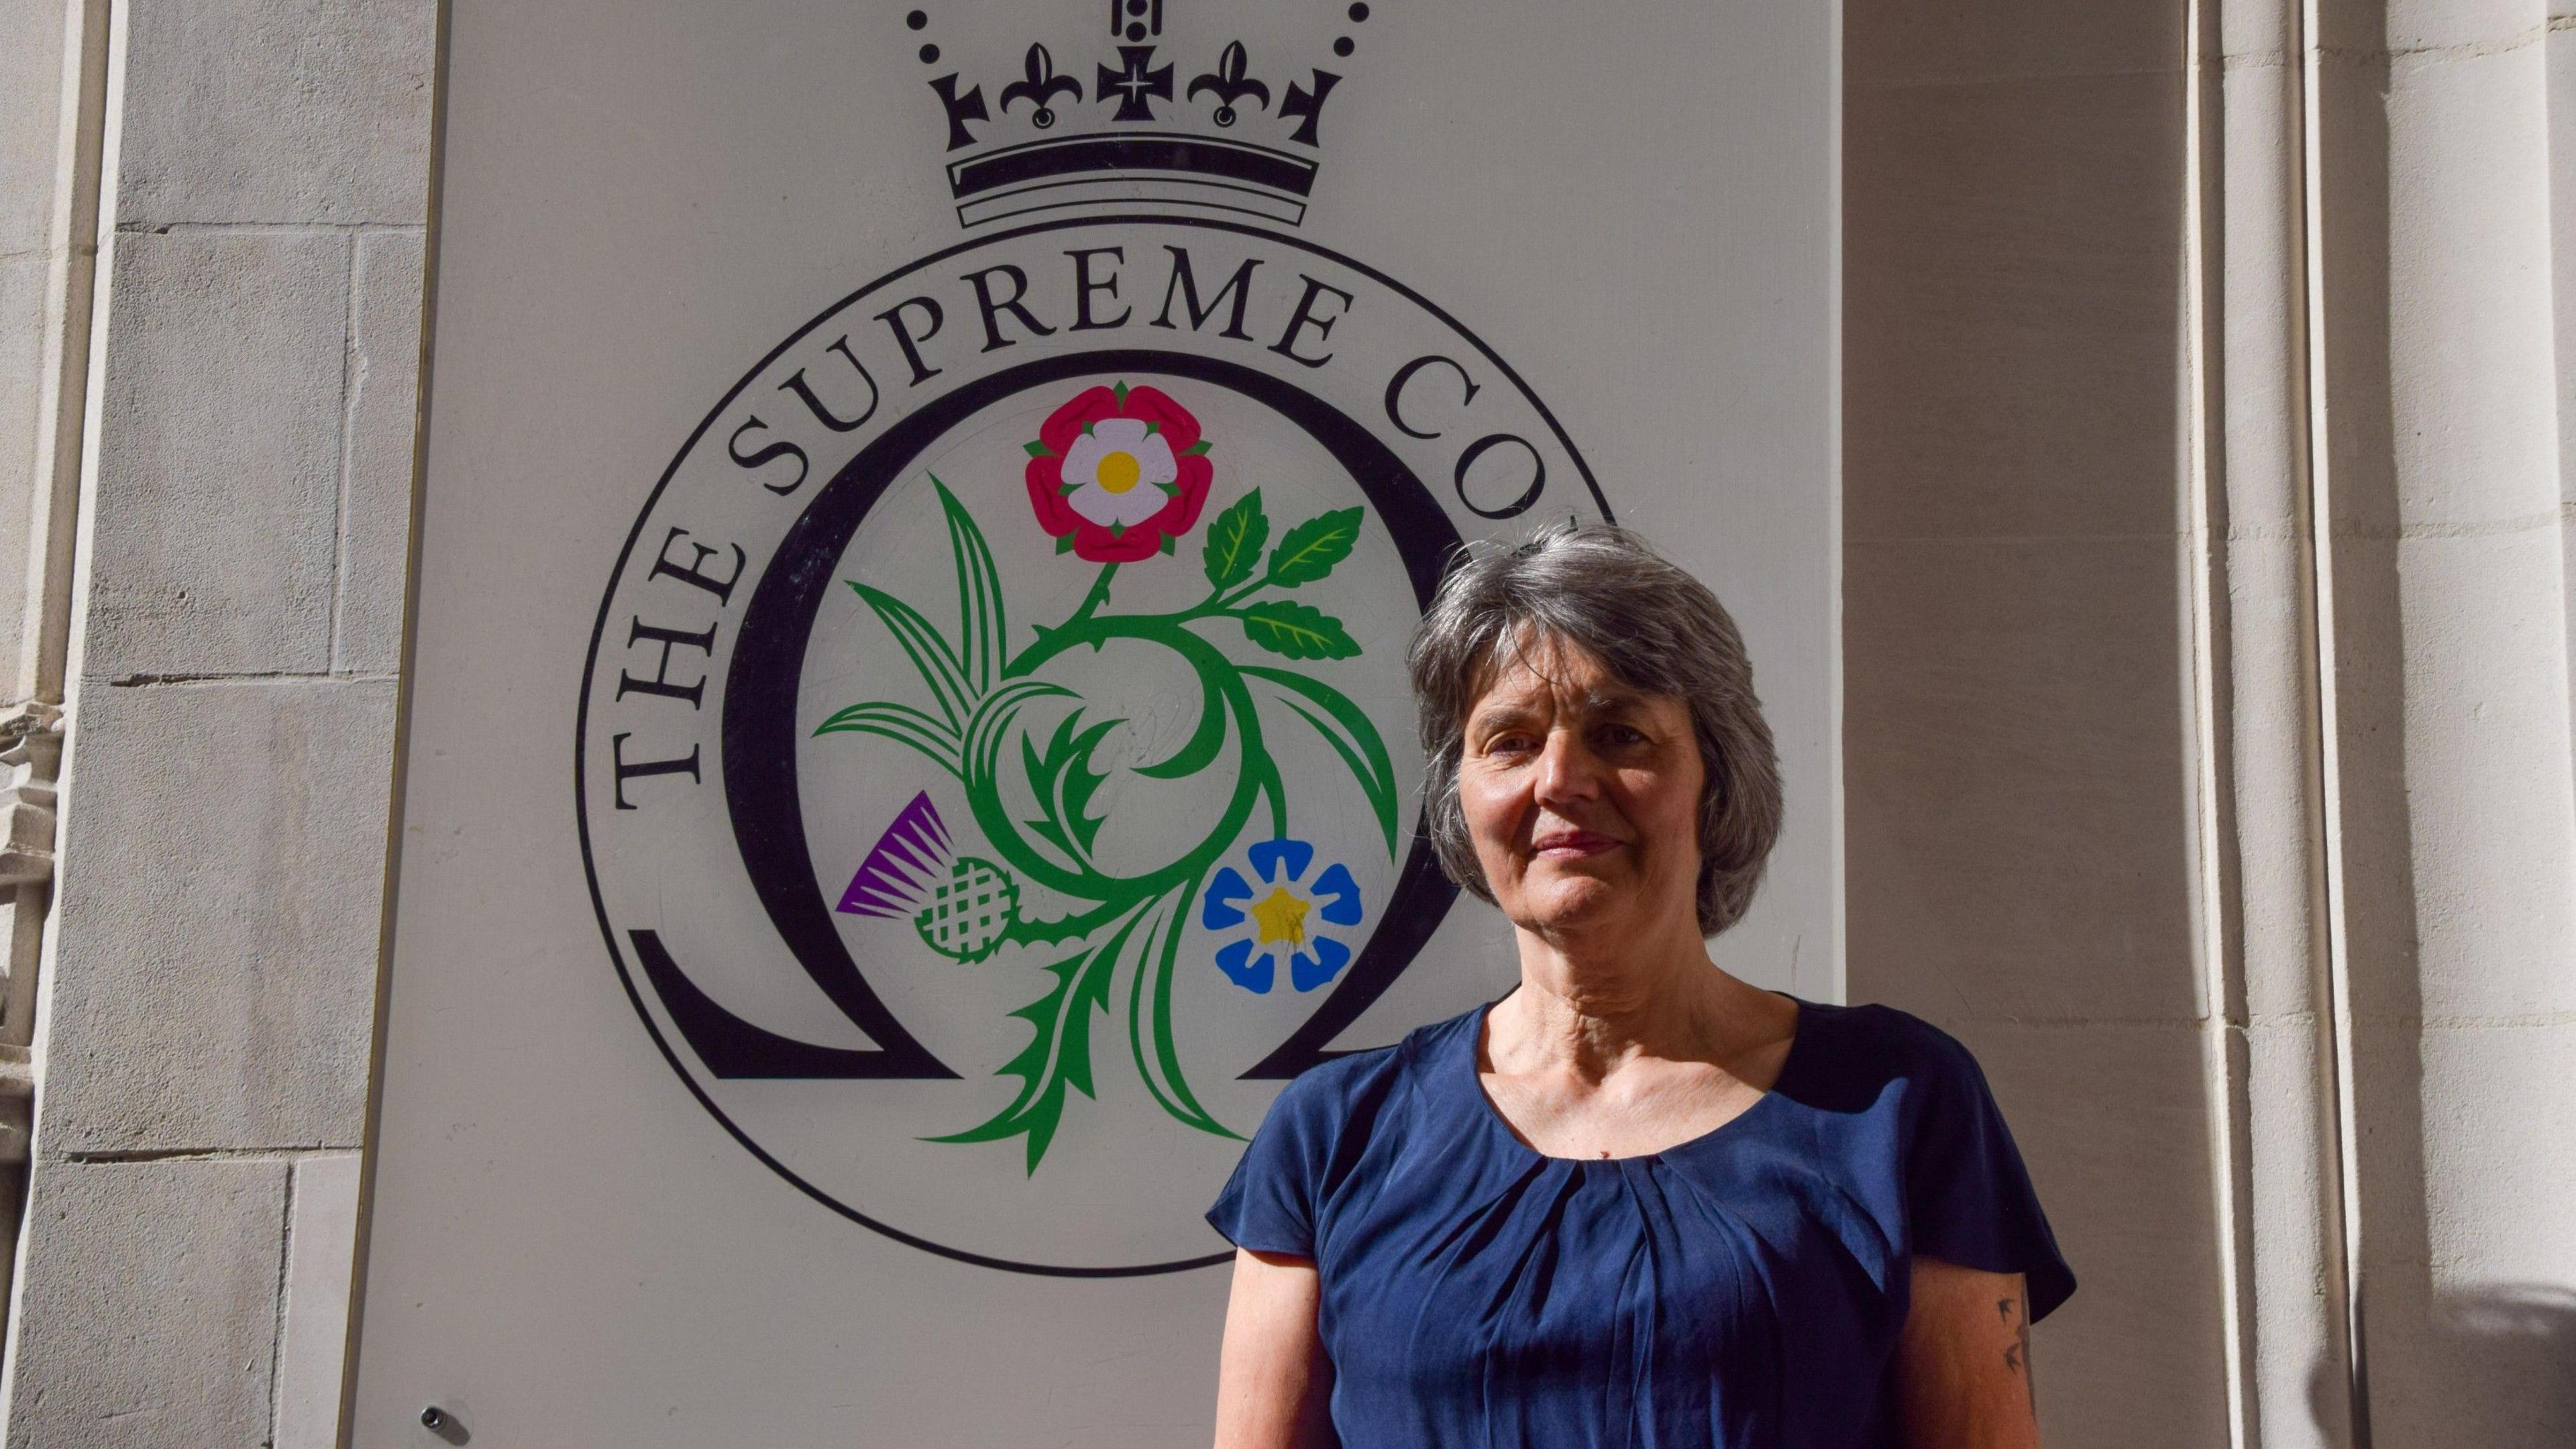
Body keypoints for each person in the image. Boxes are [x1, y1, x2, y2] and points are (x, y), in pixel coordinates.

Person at [1205, 521, 2076, 1448]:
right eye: (1510, 740)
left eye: (1619, 732)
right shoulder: (1335, 1133)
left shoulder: (1898, 1105)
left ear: (1714, 781)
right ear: (1460, 794)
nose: (1561, 780)